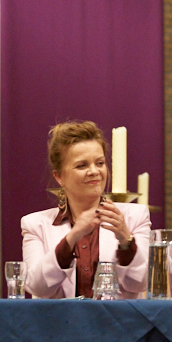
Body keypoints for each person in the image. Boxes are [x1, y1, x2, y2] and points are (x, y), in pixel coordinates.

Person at [22, 121, 151, 298]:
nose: (94, 171)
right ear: (59, 177)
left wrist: (125, 240)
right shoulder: (35, 224)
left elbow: (140, 283)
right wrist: (72, 238)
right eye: (82, 165)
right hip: (64, 317)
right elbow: (37, 288)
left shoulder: (135, 216)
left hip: (117, 316)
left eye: (100, 163)